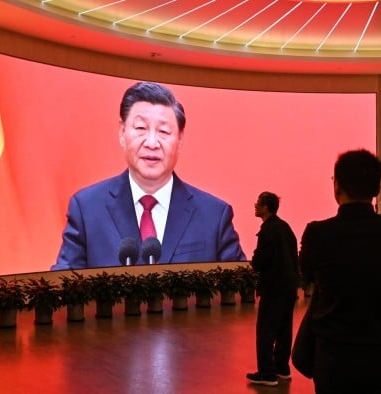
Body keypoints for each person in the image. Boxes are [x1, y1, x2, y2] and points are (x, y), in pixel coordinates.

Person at [52, 81, 245, 269]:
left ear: (180, 140)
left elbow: (241, 290)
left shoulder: (214, 216)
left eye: (163, 131)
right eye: (141, 128)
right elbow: (62, 289)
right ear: (122, 133)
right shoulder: (87, 209)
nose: (152, 143)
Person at [299, 149, 381, 394]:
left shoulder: (318, 234)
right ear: (377, 188)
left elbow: (307, 276)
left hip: (335, 355)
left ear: (337, 185)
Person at [246, 192, 300, 387]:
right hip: (288, 287)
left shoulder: (268, 231)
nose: (255, 206)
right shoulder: (285, 228)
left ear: (266, 207)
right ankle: (282, 368)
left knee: (266, 330)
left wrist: (255, 260)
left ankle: (267, 373)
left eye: (258, 203)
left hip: (273, 288)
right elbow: (294, 257)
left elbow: (261, 261)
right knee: (284, 329)